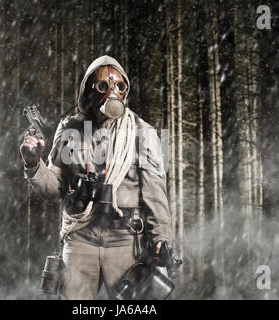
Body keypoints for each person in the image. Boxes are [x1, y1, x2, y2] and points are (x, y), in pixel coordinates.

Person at [20, 55, 175, 299]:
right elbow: (55, 188)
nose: (112, 91)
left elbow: (156, 196)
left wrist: (161, 238)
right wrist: (33, 163)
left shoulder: (144, 133)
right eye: (104, 85)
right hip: (80, 237)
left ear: (126, 92)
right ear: (89, 91)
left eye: (119, 86)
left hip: (125, 239)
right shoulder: (71, 129)